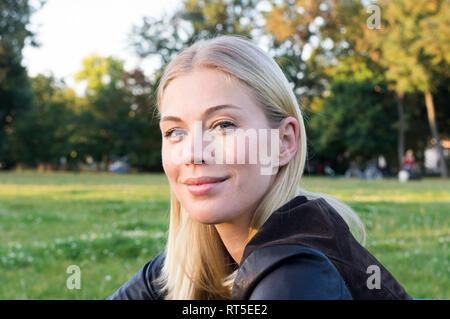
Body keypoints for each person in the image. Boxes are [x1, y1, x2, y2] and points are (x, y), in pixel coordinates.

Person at [107, 35, 411, 300]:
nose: (193, 153)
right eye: (175, 131)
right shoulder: (199, 259)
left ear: (284, 141)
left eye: (223, 125)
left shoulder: (297, 276)